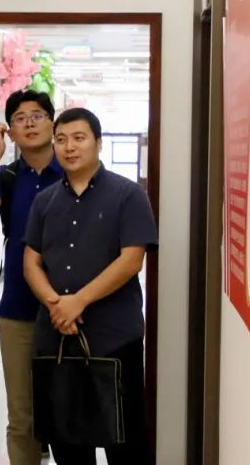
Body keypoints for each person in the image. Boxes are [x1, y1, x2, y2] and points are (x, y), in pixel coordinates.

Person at [22, 107, 157, 465]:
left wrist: (78, 301)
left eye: (79, 138)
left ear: (98, 142)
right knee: (68, 445)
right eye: (61, 140)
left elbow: (132, 260)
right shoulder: (44, 201)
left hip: (114, 340)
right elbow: (31, 262)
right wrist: (56, 305)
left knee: (126, 446)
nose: (69, 147)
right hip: (58, 341)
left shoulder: (128, 195)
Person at [0, 89, 61, 465]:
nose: (29, 123)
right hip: (18, 310)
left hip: (71, 308)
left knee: (66, 415)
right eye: (20, 118)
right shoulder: (9, 177)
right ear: (10, 129)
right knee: (21, 417)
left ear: (52, 122)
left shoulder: (72, 171)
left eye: (37, 115)